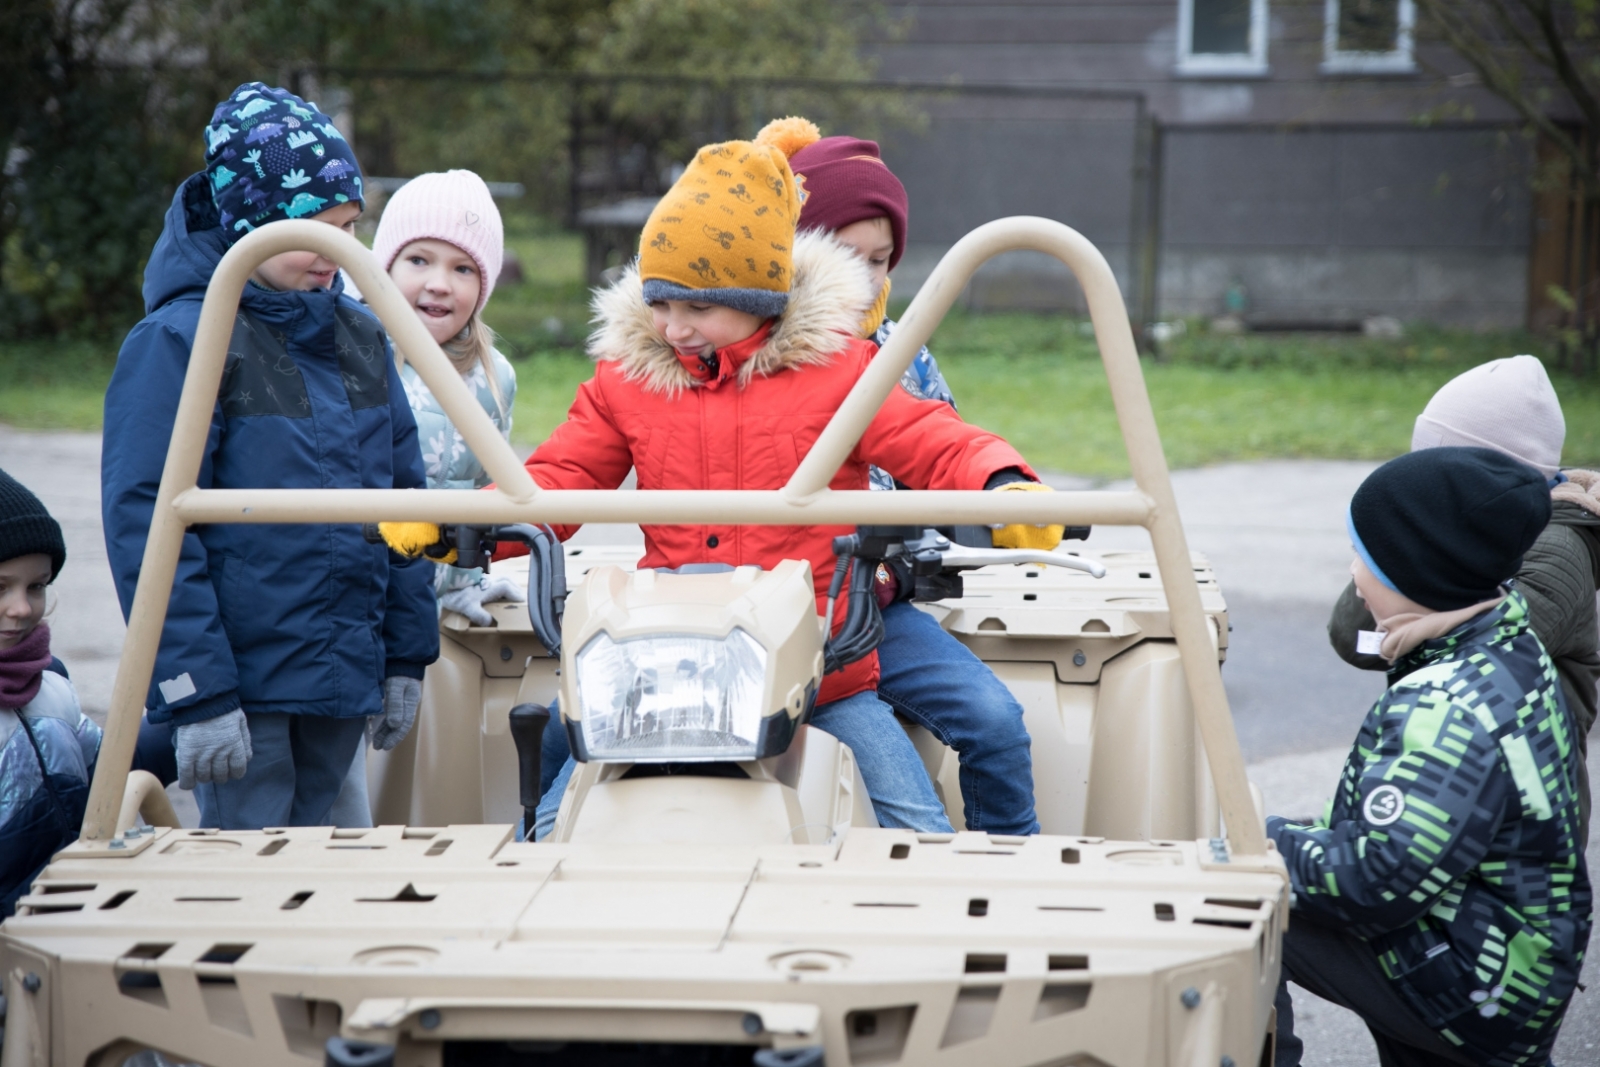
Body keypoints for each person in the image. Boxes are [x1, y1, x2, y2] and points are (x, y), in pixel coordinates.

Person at [385, 117, 1064, 839]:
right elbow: (557, 476)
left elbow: (929, 436)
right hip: (663, 678)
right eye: (660, 302)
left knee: (911, 822)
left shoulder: (841, 374)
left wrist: (1000, 483)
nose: (673, 328)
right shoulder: (632, 381)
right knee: (554, 822)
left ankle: (976, 903)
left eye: (698, 308)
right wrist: (462, 522)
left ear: (760, 300)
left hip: (819, 674)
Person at [101, 82, 439, 831]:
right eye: (314, 233)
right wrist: (197, 690)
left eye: (349, 230)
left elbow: (407, 500)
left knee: (343, 852)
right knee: (251, 866)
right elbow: (148, 522)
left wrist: (404, 652)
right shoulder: (181, 341)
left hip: (342, 665)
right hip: (243, 685)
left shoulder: (359, 334)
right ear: (251, 224)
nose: (335, 253)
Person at [1273, 447, 1591, 1067]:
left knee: (1244, 914)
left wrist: (1264, 848)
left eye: (1364, 559)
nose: (1354, 575)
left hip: (1479, 987)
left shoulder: (1444, 702)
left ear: (1413, 576)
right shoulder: (1507, 642)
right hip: (1514, 958)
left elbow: (1377, 879)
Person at [786, 129, 1040, 834]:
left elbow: (942, 444)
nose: (867, 278)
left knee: (995, 721)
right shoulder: (759, 354)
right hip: (774, 599)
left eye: (880, 259)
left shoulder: (903, 352)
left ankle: (1010, 865)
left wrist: (994, 490)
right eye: (845, 255)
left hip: (870, 606)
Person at [1327, 356, 1600, 840]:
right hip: (1457, 779)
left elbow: (1461, 656)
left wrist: (1407, 557)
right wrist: (1387, 551)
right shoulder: (1470, 544)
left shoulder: (1557, 553)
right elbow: (1352, 637)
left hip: (1518, 817)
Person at [328, 169, 523, 827]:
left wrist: (469, 574)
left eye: (463, 268)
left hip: (434, 607)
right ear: (382, 267)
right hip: (362, 598)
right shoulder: (353, 359)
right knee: (346, 765)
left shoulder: (494, 379)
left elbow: (480, 488)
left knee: (426, 753)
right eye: (418, 260)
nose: (439, 282)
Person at [0, 469, 102, 916]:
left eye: (36, 586)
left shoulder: (49, 682)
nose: (21, 609)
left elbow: (111, 767)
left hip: (61, 919)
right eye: (0, 587)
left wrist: (194, 712)